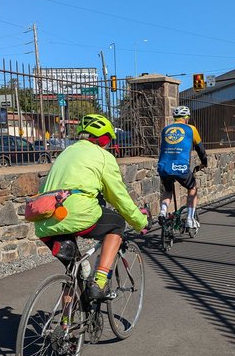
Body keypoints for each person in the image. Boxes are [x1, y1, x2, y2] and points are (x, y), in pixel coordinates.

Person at [34, 114, 149, 301]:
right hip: (77, 214)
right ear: (103, 138)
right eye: (109, 140)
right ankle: (99, 283)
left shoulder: (66, 152)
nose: (109, 144)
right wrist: (140, 221)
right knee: (118, 223)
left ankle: (64, 323)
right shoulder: (103, 156)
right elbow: (119, 197)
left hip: (45, 221)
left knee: (74, 271)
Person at [157, 105, 208, 229]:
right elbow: (200, 149)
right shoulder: (191, 129)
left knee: (168, 191)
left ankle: (163, 211)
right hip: (180, 167)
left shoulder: (165, 129)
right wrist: (204, 163)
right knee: (192, 188)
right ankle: (190, 219)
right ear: (186, 118)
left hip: (164, 167)